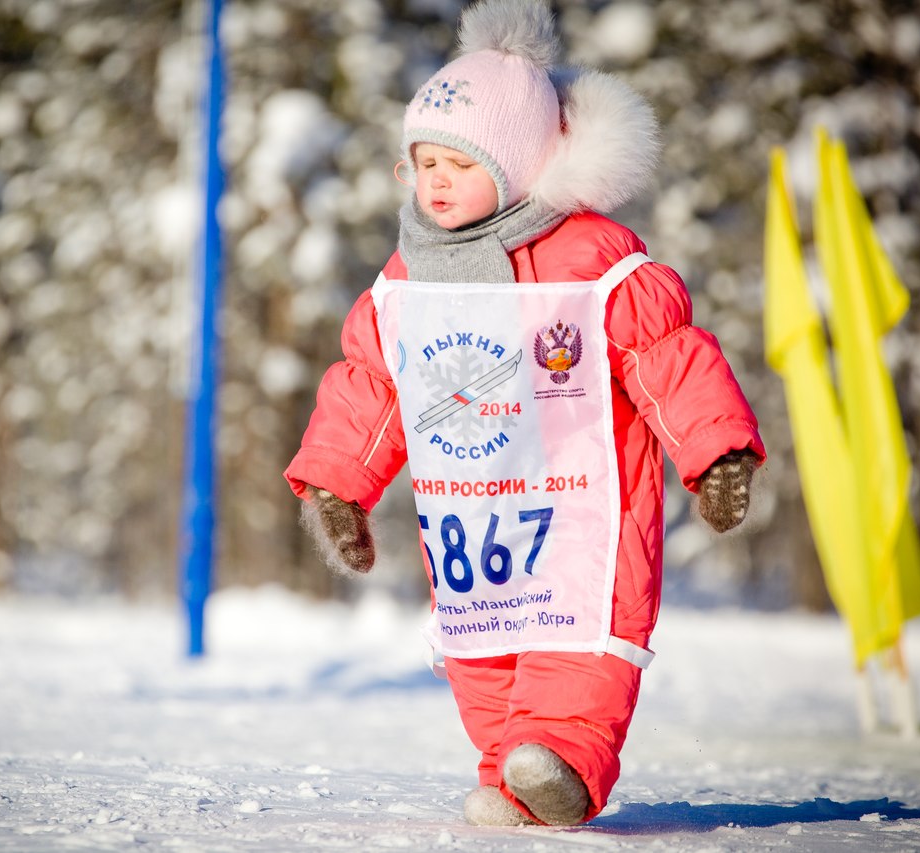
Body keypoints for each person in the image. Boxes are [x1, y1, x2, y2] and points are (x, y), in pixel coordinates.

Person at [284, 0, 765, 828]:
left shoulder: (595, 263)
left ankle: (566, 766)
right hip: (475, 521)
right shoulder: (407, 279)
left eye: (459, 165)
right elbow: (372, 382)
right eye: (422, 162)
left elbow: (668, 355)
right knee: (483, 657)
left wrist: (715, 453)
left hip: (583, 507)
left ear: (517, 166)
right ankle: (513, 777)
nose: (434, 181)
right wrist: (338, 486)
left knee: (573, 654)